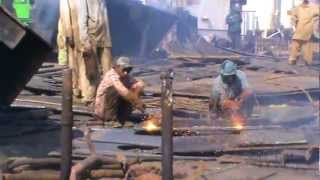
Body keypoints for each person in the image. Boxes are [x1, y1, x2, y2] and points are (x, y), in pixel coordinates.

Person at [94, 57, 145, 127]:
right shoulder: (112, 75)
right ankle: (111, 119)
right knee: (116, 90)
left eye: (128, 70)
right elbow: (122, 90)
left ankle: (123, 118)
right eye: (124, 69)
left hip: (118, 112)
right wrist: (136, 100)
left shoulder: (125, 75)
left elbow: (140, 84)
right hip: (104, 111)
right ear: (117, 67)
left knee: (131, 90)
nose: (126, 72)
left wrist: (136, 93)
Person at [209, 60, 254, 126]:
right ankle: (215, 115)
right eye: (227, 76)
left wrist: (240, 100)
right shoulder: (218, 82)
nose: (229, 78)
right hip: (224, 101)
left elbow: (248, 90)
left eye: (231, 76)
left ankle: (246, 117)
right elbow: (224, 101)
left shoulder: (241, 75)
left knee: (250, 95)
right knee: (215, 95)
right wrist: (232, 105)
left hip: (237, 97)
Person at [288, 0, 319, 65]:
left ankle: (292, 60)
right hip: (307, 31)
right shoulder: (314, 8)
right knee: (307, 46)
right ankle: (307, 61)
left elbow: (292, 16)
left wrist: (293, 25)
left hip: (299, 31)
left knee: (296, 45)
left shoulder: (298, 8)